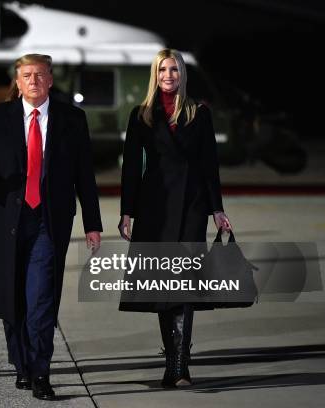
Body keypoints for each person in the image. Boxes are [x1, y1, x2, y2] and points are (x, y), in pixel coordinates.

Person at [0, 54, 102, 400]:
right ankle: (21, 364)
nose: (33, 81)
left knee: (41, 301)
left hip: (48, 222)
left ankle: (40, 374)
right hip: (6, 223)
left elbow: (85, 176)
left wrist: (92, 223)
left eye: (39, 75)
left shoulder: (72, 119)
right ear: (17, 82)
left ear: (50, 80)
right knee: (12, 299)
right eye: (26, 75)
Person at [118, 48, 232, 388]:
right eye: (163, 69)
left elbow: (210, 165)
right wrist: (127, 212)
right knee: (160, 284)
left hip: (191, 207)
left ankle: (180, 364)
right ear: (156, 74)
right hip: (155, 207)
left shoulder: (199, 113)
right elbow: (130, 170)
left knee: (181, 284)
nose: (169, 75)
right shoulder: (141, 115)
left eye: (175, 69)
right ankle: (173, 356)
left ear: (182, 74)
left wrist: (217, 209)